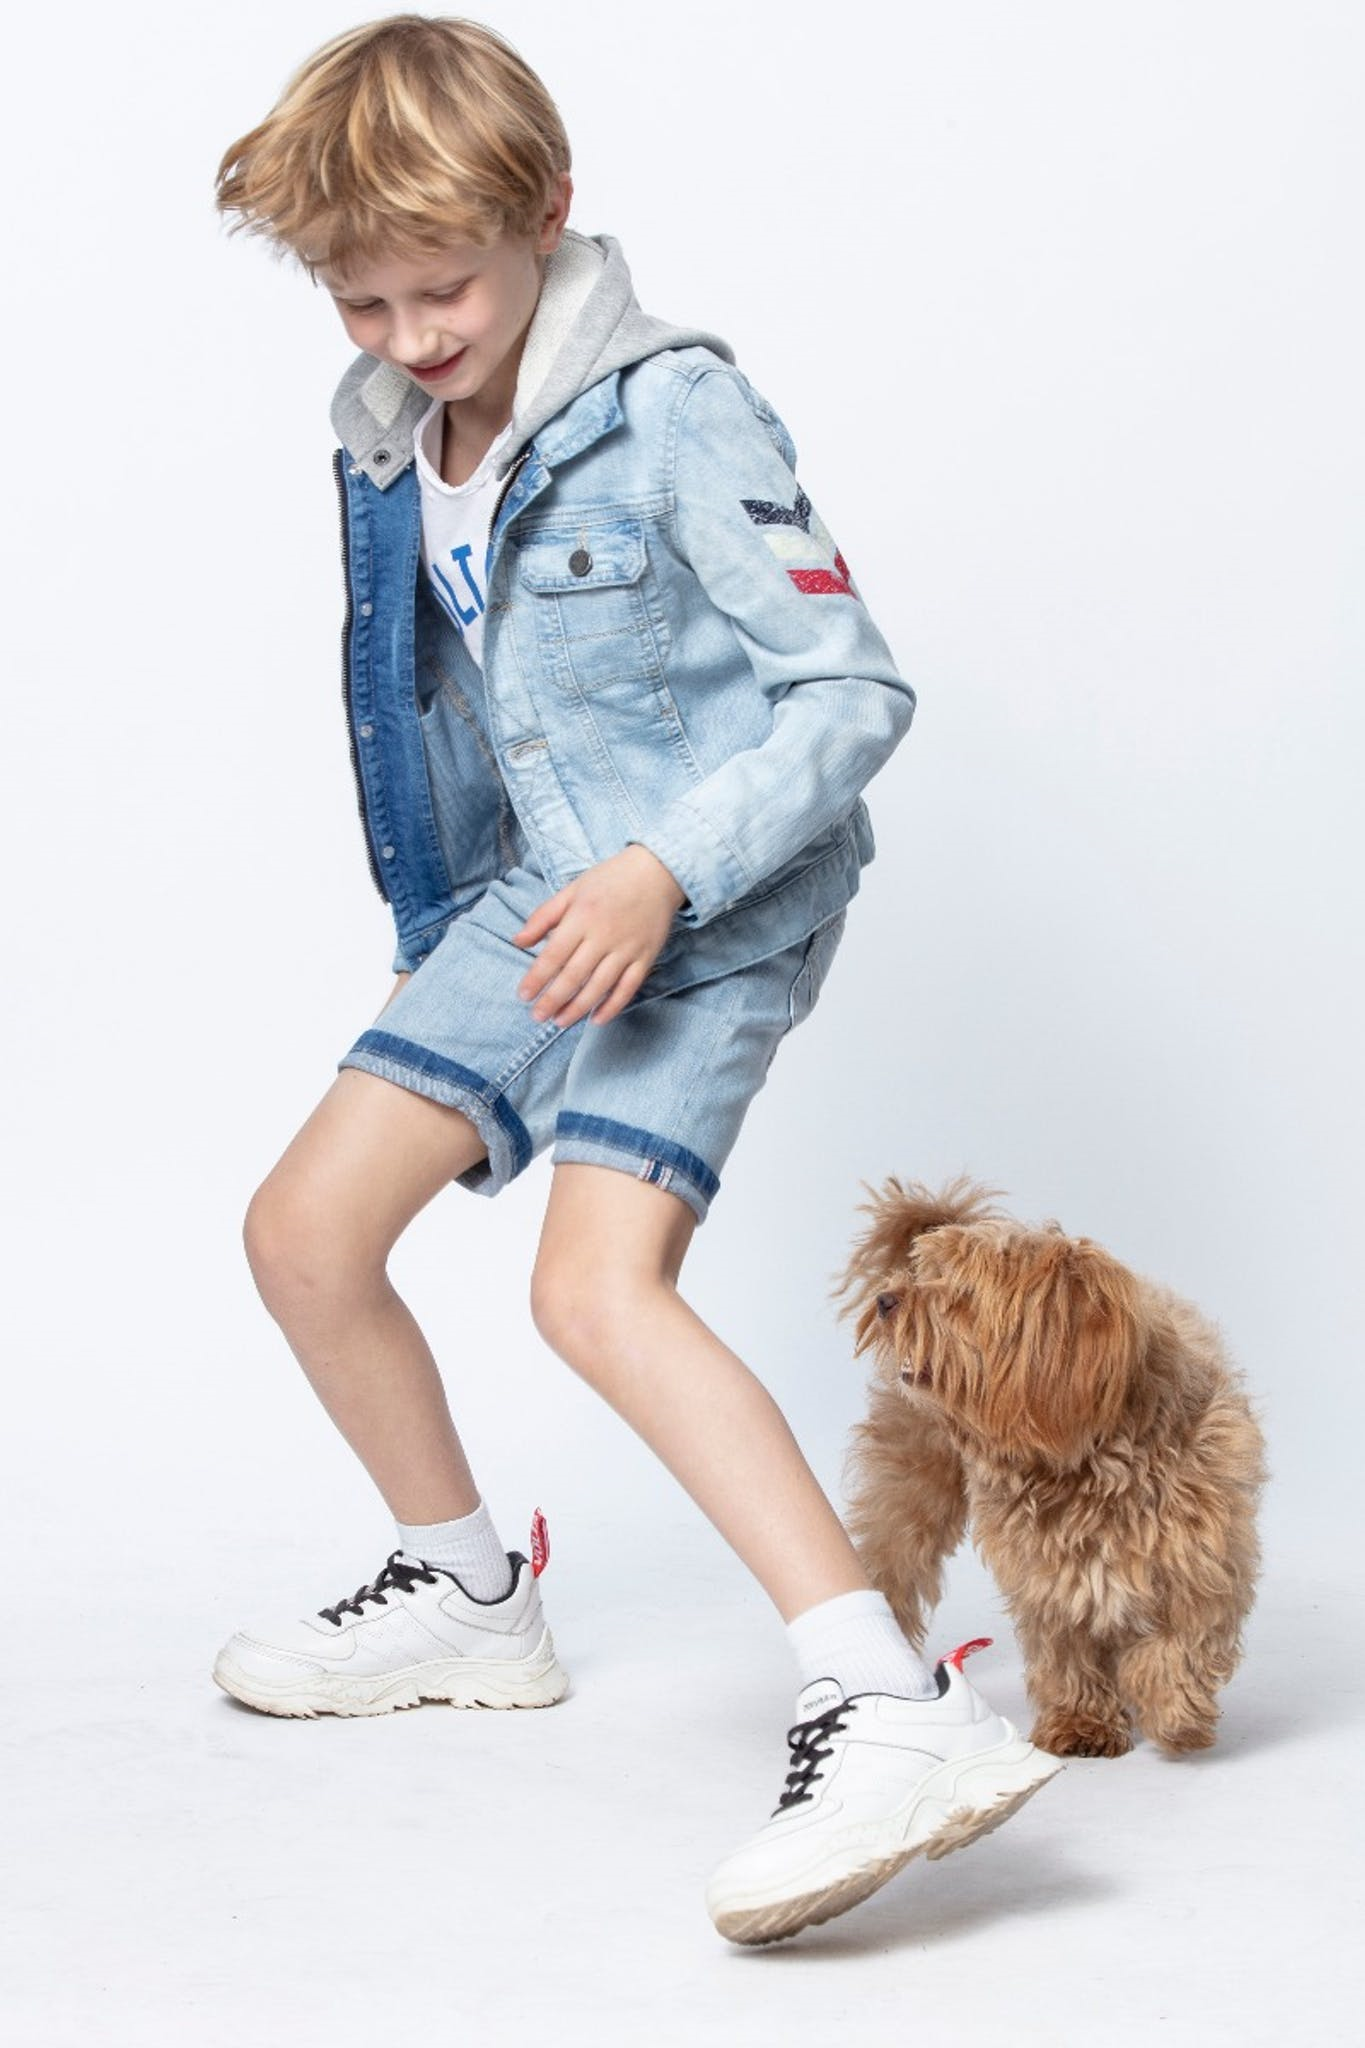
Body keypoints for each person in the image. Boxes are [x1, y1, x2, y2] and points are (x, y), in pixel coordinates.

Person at [211, 12, 1060, 1945]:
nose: (410, 334)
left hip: (715, 900)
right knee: (304, 1233)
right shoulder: (384, 433)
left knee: (592, 1293)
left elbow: (851, 692)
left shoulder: (674, 410)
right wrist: (470, 932)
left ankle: (886, 1701)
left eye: (443, 286)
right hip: (535, 897)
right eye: (360, 299)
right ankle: (466, 1596)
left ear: (549, 212)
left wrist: (666, 871)